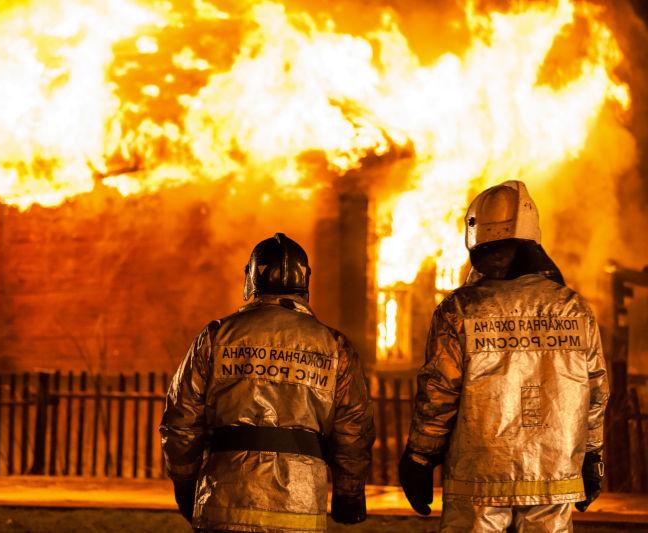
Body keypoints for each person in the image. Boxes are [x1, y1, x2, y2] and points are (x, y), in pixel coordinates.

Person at [398, 180, 609, 532]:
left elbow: (439, 392)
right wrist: (593, 455)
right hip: (552, 478)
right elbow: (596, 393)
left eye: (494, 252)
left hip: (478, 482)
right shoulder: (574, 309)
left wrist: (420, 455)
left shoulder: (460, 309)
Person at [160, 233, 375, 532]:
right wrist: (348, 491)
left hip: (225, 500)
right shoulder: (334, 346)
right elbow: (353, 428)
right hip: (300, 506)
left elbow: (181, 420)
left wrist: (184, 482)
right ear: (305, 280)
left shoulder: (216, 336)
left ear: (251, 278)